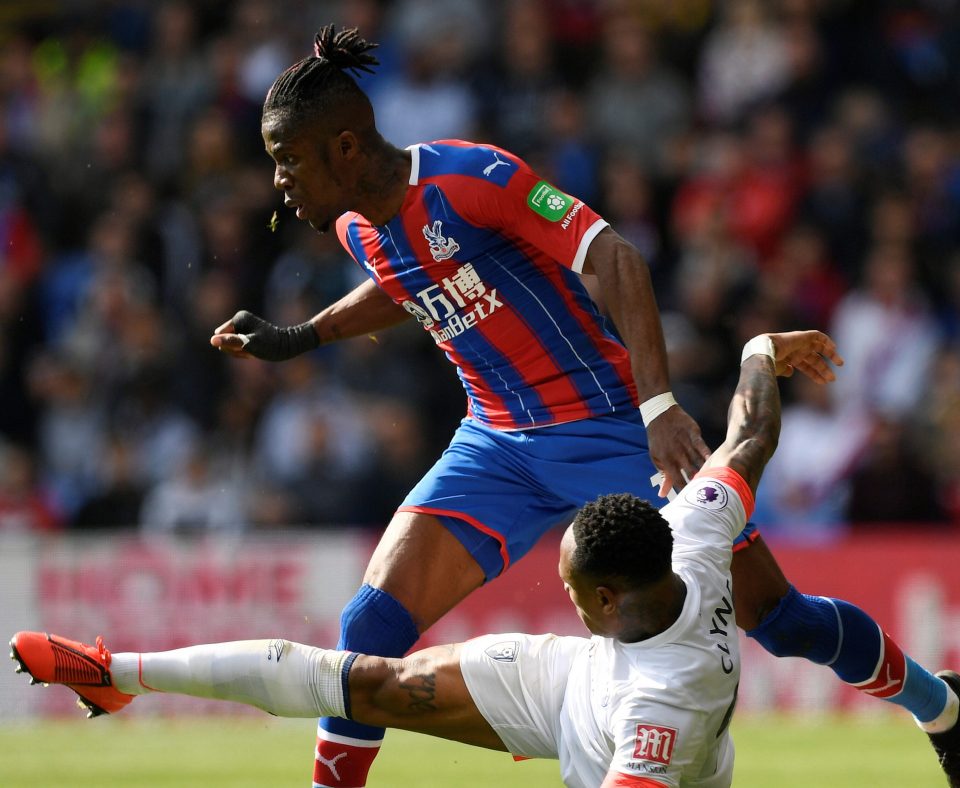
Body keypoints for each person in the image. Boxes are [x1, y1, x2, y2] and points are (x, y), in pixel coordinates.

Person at [205, 26, 957, 787]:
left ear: (343, 147)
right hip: (494, 444)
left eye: (288, 159)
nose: (279, 183)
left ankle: (942, 706)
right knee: (367, 628)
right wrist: (299, 336)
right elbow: (408, 281)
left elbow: (613, 256)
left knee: (779, 620)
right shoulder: (355, 226)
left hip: (609, 430)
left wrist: (659, 406)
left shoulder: (474, 179)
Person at [11, 331, 960, 786]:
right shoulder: (695, 533)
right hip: (568, 680)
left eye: (567, 587)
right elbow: (750, 438)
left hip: (610, 725)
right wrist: (759, 350)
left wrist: (759, 351)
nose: (555, 590)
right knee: (364, 678)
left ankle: (942, 706)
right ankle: (119, 675)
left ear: (602, 596)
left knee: (794, 623)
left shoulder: (658, 718)